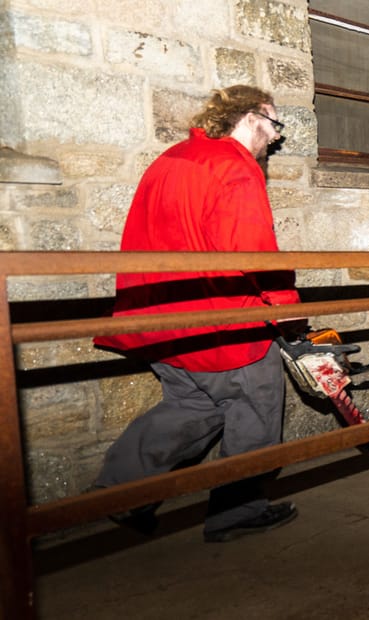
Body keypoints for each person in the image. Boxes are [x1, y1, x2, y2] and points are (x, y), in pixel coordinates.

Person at [92, 85, 301, 543]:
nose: (274, 138)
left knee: (190, 406)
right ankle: (236, 511)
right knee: (255, 411)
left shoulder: (173, 158)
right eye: (273, 124)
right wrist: (287, 313)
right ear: (249, 117)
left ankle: (119, 494)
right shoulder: (236, 167)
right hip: (222, 324)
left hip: (162, 321)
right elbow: (254, 253)